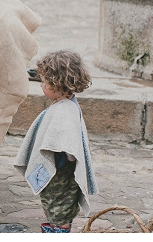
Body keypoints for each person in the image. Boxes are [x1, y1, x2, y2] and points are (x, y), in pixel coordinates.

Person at [14, 51, 98, 233]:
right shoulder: (67, 105)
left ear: (57, 84)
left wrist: (59, 158)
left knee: (59, 209)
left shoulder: (64, 112)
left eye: (44, 82)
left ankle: (59, 231)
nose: (42, 85)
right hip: (60, 175)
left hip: (60, 175)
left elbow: (69, 148)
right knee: (55, 208)